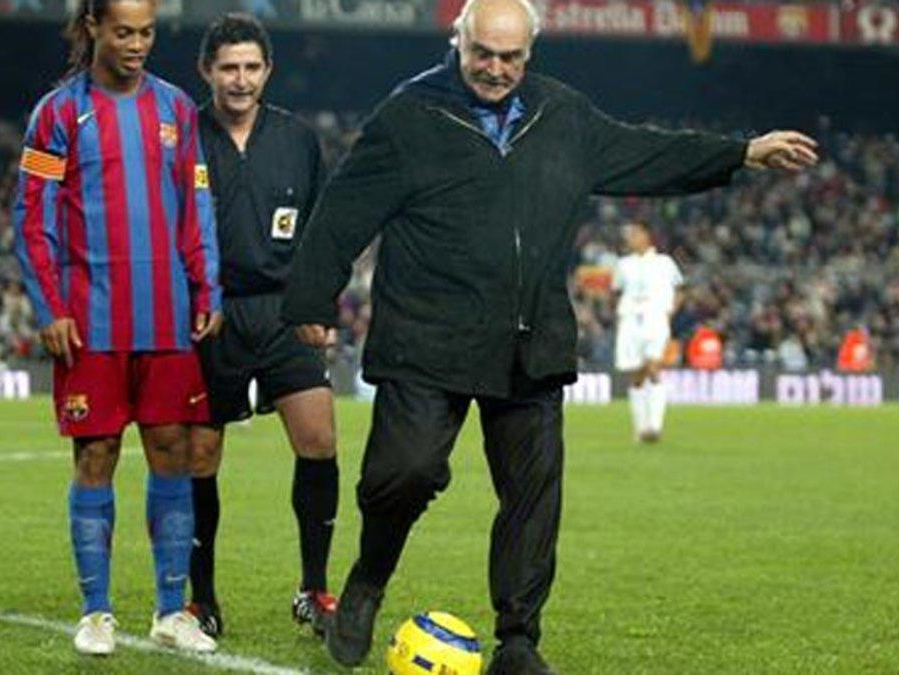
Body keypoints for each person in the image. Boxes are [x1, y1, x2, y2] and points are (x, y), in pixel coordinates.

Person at [280, 0, 818, 671]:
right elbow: (342, 211)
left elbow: (643, 151)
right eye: (484, 54)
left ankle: (518, 639)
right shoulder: (409, 115)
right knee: (402, 473)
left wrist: (740, 152)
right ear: (459, 42)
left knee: (533, 497)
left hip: (528, 343)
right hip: (427, 337)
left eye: (511, 57)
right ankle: (368, 579)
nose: (496, 69)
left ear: (530, 53)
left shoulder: (562, 114)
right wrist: (311, 296)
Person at [12, 0, 223, 656]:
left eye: (148, 32)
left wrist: (206, 282)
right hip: (92, 321)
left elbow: (197, 205)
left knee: (174, 452)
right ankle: (97, 610)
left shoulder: (178, 109)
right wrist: (49, 306)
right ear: (94, 28)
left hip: (165, 316)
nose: (137, 44)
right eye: (125, 31)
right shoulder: (56, 113)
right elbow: (32, 218)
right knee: (96, 455)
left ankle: (170, 609)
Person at [187, 13, 337, 640]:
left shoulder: (298, 139)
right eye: (229, 67)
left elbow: (322, 235)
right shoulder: (183, 138)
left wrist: (319, 307)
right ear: (208, 71)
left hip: (282, 311)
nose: (241, 79)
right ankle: (201, 598)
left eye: (251, 67)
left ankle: (314, 589)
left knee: (319, 439)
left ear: (267, 71)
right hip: (209, 314)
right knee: (200, 455)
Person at [611, 222, 682, 443]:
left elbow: (680, 290)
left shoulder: (664, 263)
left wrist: (668, 314)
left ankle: (655, 426)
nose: (630, 238)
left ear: (646, 236)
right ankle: (641, 428)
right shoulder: (623, 265)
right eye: (629, 235)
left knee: (653, 366)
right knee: (638, 374)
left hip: (656, 318)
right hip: (631, 320)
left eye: (634, 234)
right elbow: (615, 292)